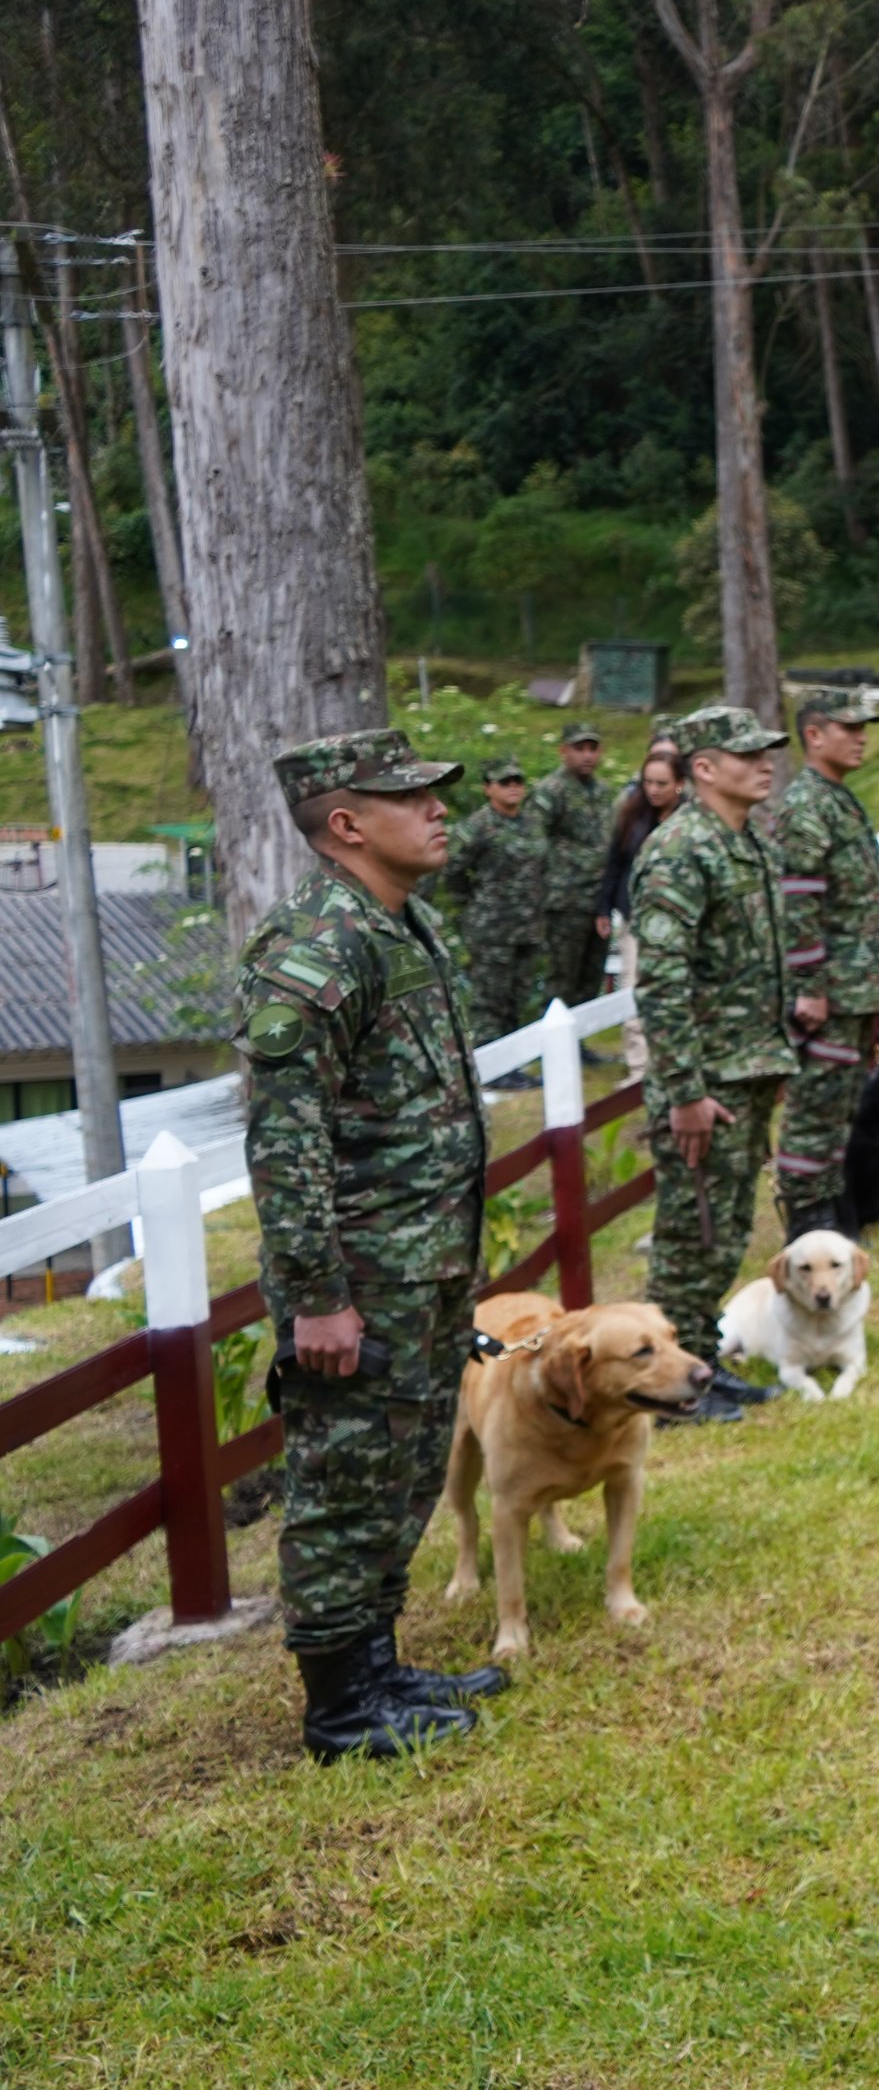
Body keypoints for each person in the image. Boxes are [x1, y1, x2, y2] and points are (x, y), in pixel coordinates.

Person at [235, 728, 511, 1762]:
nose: (440, 809)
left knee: (402, 1471)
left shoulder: (399, 923)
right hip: (358, 1277)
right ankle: (341, 1707)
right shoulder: (315, 945)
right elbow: (285, 1138)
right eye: (412, 798)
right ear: (347, 825)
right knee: (343, 1485)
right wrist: (317, 1295)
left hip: (422, 1263)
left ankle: (378, 1665)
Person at [626, 705, 795, 1409]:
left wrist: (772, 1056)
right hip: (705, 1080)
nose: (765, 764)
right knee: (690, 1235)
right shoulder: (680, 849)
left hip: (745, 1067)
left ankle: (700, 1361)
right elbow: (662, 982)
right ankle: (671, 1390)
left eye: (766, 753)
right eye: (747, 755)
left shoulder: (746, 842)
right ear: (703, 768)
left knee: (724, 1232)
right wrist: (685, 1091)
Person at [769, 693, 879, 1238]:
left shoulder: (837, 798)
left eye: (863, 728)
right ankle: (807, 1214)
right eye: (850, 728)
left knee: (841, 1104)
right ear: (815, 735)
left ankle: (837, 1205)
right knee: (815, 1108)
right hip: (831, 989)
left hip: (857, 985)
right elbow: (799, 902)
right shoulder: (806, 804)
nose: (861, 737)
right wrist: (810, 985)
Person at [439, 757, 548, 1049]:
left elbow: (541, 867)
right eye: (504, 782)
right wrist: (472, 903)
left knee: (519, 995)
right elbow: (452, 869)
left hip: (528, 926)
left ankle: (515, 1056)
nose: (513, 787)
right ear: (488, 788)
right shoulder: (477, 826)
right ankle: (491, 1057)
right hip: (492, 928)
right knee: (490, 999)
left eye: (518, 781)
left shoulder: (532, 823)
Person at [601, 745, 684, 1079]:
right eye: (648, 782)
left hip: (679, 920)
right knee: (632, 987)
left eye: (661, 783)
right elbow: (614, 863)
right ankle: (638, 1068)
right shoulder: (631, 815)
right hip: (635, 918)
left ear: (679, 784)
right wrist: (604, 907)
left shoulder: (692, 821)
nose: (653, 790)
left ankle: (673, 1062)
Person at [529, 724, 615, 1007]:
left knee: (591, 980)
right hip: (566, 901)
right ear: (564, 751)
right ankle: (554, 1033)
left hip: (599, 900)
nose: (587, 755)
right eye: (580, 749)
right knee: (562, 980)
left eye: (593, 749)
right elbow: (534, 842)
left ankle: (583, 1034)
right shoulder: (550, 791)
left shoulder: (602, 790)